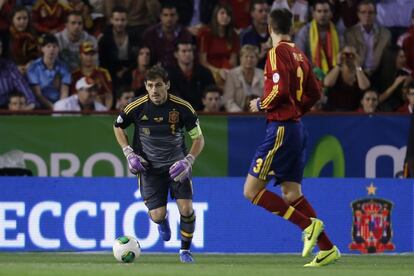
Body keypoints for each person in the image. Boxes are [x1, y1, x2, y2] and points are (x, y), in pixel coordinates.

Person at [245, 8, 340, 267]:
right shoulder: (300, 54)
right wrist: (298, 110)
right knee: (291, 193)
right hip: (296, 127)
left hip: (281, 128)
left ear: (269, 27)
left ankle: (306, 226)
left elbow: (280, 89)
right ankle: (327, 248)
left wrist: (261, 104)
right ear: (293, 28)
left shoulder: (277, 52)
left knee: (251, 191)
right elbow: (315, 91)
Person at [113, 65, 205, 263]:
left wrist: (188, 160)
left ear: (167, 85)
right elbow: (118, 126)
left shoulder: (182, 107)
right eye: (150, 85)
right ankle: (161, 222)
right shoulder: (136, 107)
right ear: (145, 87)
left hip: (176, 167)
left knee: (187, 209)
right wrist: (128, 152)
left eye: (159, 85)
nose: (154, 90)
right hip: (149, 169)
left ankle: (185, 251)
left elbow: (199, 139)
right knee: (156, 215)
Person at [344, 0, 391, 78]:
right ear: (358, 14)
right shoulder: (349, 34)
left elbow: (388, 59)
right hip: (357, 72)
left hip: (379, 73)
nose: (367, 15)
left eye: (370, 12)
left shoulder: (385, 34)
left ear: (376, 14)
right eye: (363, 12)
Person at [294, 0, 342, 74]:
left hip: (333, 73)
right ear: (313, 14)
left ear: (331, 14)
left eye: (325, 11)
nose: (322, 15)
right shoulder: (305, 31)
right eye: (319, 11)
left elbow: (341, 54)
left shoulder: (337, 31)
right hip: (310, 71)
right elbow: (298, 55)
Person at [27, 34, 71, 109]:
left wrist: (61, 107)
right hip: (40, 106)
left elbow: (64, 92)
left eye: (54, 46)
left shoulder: (64, 67)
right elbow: (38, 94)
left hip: (59, 105)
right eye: (48, 46)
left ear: (58, 49)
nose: (52, 49)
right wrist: (53, 108)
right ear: (42, 49)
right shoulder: (33, 68)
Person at [167, 41, 215, 111]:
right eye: (184, 51)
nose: (188, 54)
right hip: (177, 113)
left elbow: (212, 92)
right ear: (176, 54)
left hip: (202, 113)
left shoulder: (205, 73)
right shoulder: (168, 74)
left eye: (190, 51)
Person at [143, 2, 193, 68]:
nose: (169, 19)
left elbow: (188, 58)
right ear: (160, 16)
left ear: (177, 16)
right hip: (155, 72)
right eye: (165, 15)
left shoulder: (185, 33)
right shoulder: (150, 33)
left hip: (178, 72)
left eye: (172, 15)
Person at [323, 46, 370, 111]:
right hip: (334, 113)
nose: (348, 58)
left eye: (352, 55)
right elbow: (327, 83)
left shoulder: (361, 73)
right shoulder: (334, 71)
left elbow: (364, 87)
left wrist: (358, 65)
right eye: (345, 54)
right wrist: (338, 64)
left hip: (354, 114)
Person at [71, 41, 113, 110]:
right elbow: (73, 97)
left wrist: (105, 111)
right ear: (80, 55)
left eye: (91, 54)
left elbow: (109, 95)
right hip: (79, 111)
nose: (89, 57)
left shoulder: (103, 73)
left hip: (99, 111)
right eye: (86, 54)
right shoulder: (74, 75)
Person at [223, 45, 264, 112]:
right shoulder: (232, 75)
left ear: (257, 59)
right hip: (237, 115)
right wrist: (240, 114)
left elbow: (266, 97)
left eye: (252, 57)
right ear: (240, 58)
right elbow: (228, 100)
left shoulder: (263, 74)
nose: (249, 59)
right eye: (246, 56)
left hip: (259, 114)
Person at [240, 0, 270, 69]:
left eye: (267, 11)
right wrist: (260, 55)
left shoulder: (275, 33)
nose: (264, 14)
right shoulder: (245, 35)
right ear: (252, 13)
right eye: (260, 11)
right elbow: (243, 63)